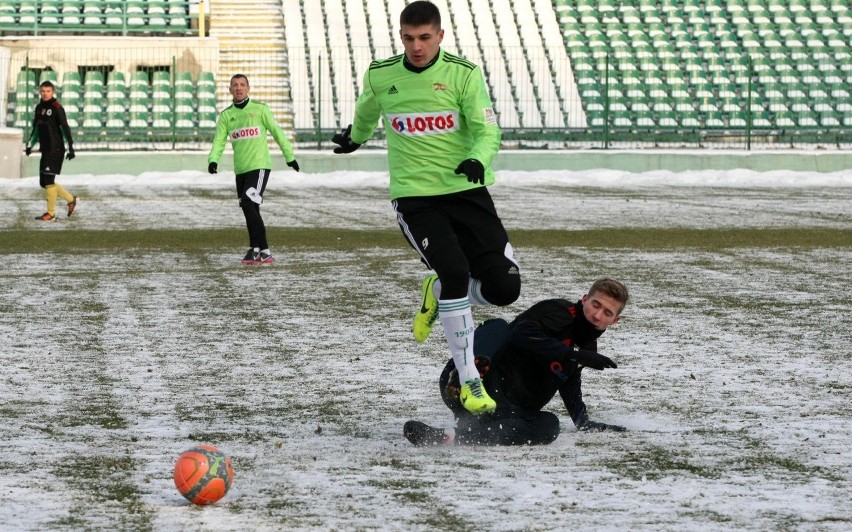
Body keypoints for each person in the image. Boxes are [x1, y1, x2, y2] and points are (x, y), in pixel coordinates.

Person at [332, 0, 519, 415]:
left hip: (467, 191)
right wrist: (355, 138)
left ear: (439, 35)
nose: (416, 46)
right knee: (454, 271)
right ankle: (470, 379)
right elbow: (366, 112)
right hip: (416, 198)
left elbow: (487, 128)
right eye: (408, 38)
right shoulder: (382, 75)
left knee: (504, 290)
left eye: (424, 38)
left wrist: (478, 158)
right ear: (401, 36)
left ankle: (436, 293)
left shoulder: (463, 74)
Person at [404, 278, 630, 446]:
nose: (597, 315)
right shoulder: (558, 311)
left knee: (549, 425)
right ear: (584, 300)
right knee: (498, 326)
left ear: (615, 320)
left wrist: (582, 420)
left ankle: (451, 437)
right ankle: (466, 379)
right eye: (596, 304)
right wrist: (571, 354)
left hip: (502, 408)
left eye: (607, 312)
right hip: (482, 382)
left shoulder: (586, 349)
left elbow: (568, 379)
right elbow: (520, 335)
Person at [207, 73, 300, 265]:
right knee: (250, 208)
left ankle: (263, 249)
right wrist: (213, 160)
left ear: (248, 88)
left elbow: (278, 133)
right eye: (235, 85)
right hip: (240, 170)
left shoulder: (260, 109)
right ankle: (256, 250)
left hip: (259, 168)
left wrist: (289, 156)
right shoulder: (226, 115)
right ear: (230, 89)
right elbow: (219, 140)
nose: (239, 88)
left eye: (242, 85)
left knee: (248, 204)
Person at [25, 80, 78, 221]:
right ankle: (71, 199)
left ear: (53, 92)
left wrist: (71, 146)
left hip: (56, 149)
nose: (45, 93)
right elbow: (37, 129)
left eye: (48, 91)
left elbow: (65, 128)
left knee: (48, 180)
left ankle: (51, 213)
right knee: (44, 182)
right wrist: (30, 144)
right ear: (40, 92)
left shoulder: (57, 108)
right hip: (45, 149)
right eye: (43, 91)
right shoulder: (38, 108)